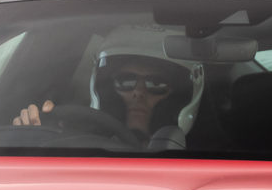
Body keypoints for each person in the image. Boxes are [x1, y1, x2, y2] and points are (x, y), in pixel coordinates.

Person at [13, 28, 203, 151]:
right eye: (125, 81)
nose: (138, 92)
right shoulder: (79, 146)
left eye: (156, 84)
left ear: (179, 97)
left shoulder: (206, 162)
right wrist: (37, 138)